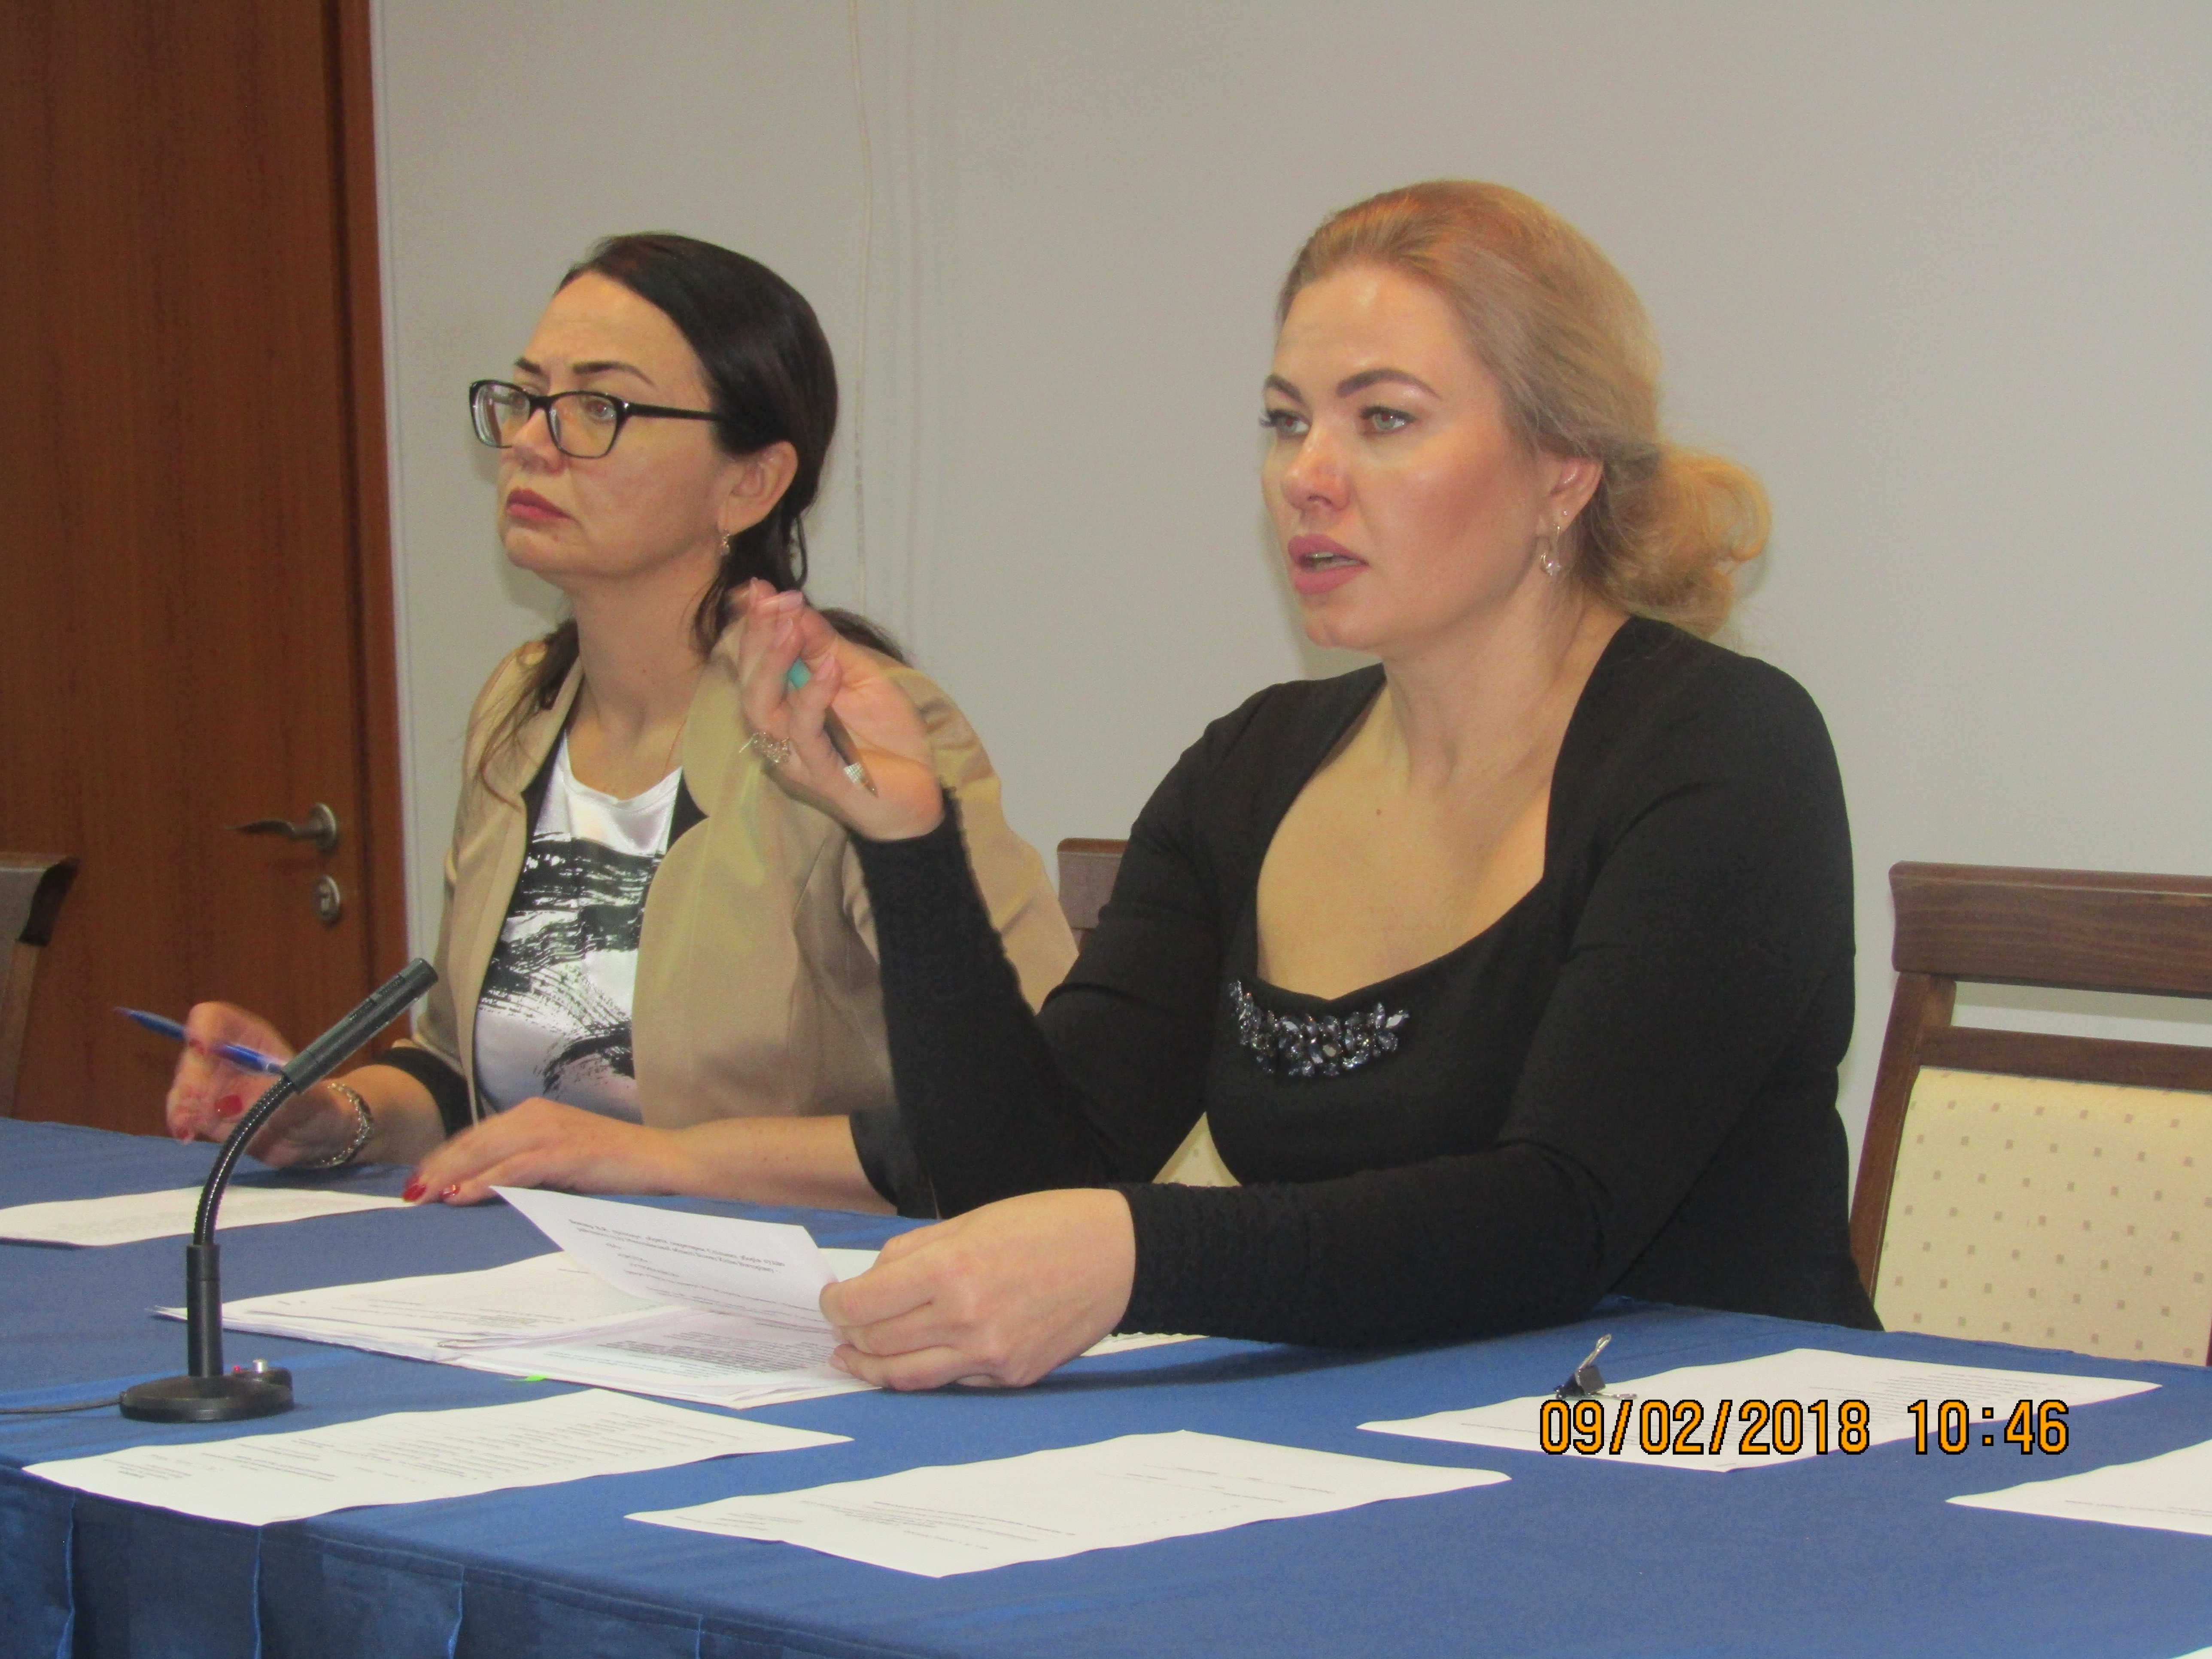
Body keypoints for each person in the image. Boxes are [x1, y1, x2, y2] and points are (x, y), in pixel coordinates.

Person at [419, 180, 1880, 1387]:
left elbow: (1558, 1216)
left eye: (1383, 419)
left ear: (1563, 468)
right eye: (1285, 420)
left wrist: (1135, 1254)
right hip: (1369, 1446)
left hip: (1719, 1448)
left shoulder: (1720, 749)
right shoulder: (1253, 768)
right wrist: (909, 847)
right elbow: (1032, 1174)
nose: (1308, 475)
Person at [165, 234, 1073, 1203]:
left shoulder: (853, 725)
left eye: (599, 408)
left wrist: (668, 1161)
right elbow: (466, 1077)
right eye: (526, 397)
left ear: (750, 483)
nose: (530, 441)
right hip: (537, 1273)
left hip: (805, 1276)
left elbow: (1035, 1110)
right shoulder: (522, 706)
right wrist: (329, 1114)